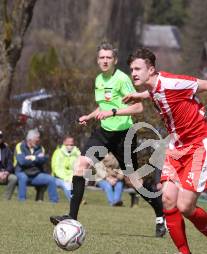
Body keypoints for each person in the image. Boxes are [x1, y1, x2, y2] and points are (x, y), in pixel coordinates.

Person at [123, 47, 207, 254]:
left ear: (151, 69)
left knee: (185, 206)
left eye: (138, 68)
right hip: (176, 148)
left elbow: (206, 85)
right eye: (131, 69)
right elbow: (155, 92)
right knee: (166, 198)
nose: (133, 73)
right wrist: (139, 95)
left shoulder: (172, 82)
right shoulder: (152, 87)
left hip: (199, 147)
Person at [49, 41, 166, 237]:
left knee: (133, 181)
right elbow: (102, 106)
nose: (105, 61)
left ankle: (160, 214)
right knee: (81, 164)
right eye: (101, 57)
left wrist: (113, 112)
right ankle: (71, 217)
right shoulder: (98, 80)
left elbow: (138, 108)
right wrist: (90, 115)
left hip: (124, 135)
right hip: (103, 134)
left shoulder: (122, 79)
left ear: (115, 60)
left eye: (108, 57)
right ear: (97, 60)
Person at [14, 129, 59, 203]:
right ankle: (22, 201)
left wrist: (32, 157)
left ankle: (54, 202)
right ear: (29, 139)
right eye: (37, 139)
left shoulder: (41, 148)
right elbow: (22, 162)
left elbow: (44, 160)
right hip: (22, 172)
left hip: (35, 174)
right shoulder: (19, 146)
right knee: (23, 177)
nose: (38, 140)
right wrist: (37, 158)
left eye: (38, 139)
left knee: (51, 179)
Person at [51, 136, 80, 201]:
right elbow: (56, 169)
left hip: (72, 178)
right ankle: (74, 201)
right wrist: (66, 178)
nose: (69, 146)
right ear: (64, 143)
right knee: (67, 184)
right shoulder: (58, 152)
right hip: (58, 178)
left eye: (71, 144)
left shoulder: (77, 153)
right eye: (67, 144)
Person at [0, 130, 18, 200]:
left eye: (0, 137)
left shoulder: (6, 149)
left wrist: (7, 172)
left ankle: (5, 199)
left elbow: (10, 162)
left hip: (4, 172)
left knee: (14, 178)